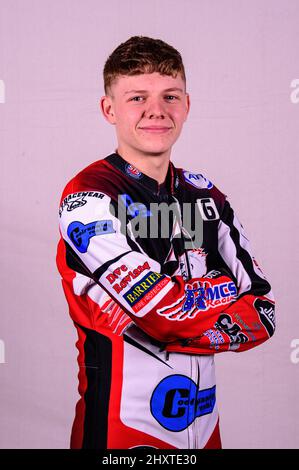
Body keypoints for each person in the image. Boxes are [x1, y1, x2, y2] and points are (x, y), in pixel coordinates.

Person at [56, 36, 275, 449]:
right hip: (122, 433)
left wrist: (170, 317)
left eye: (170, 96)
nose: (157, 110)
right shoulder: (88, 196)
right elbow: (158, 312)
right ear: (110, 109)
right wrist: (218, 296)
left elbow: (264, 312)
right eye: (137, 97)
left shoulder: (207, 197)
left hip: (205, 431)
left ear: (187, 105)